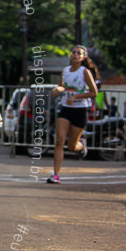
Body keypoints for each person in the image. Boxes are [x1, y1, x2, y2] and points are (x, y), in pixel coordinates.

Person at [46, 45, 98, 184]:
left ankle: (81, 145)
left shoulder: (85, 72)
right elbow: (63, 85)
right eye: (74, 52)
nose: (75, 55)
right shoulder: (65, 71)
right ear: (71, 55)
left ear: (83, 57)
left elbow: (94, 92)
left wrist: (76, 97)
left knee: (71, 146)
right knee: (59, 141)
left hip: (80, 110)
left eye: (79, 53)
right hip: (66, 108)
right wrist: (57, 89)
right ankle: (56, 175)